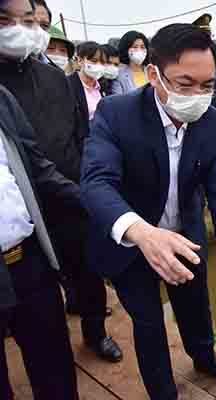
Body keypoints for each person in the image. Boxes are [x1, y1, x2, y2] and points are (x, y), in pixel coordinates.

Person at [81, 24, 216, 400]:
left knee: (195, 306)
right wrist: (142, 233)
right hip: (131, 241)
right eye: (185, 84)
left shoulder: (214, 123)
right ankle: (163, 392)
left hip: (183, 234)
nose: (198, 97)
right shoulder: (117, 113)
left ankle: (205, 358)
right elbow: (96, 182)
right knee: (149, 322)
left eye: (208, 86)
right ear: (154, 74)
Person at [0, 0, 123, 363]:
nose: (25, 31)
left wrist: (89, 181)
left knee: (88, 269)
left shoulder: (56, 78)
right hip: (23, 209)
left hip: (70, 192)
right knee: (34, 291)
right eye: (10, 21)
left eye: (35, 23)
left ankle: (95, 332)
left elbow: (80, 132)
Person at [0, 83, 81, 400]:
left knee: (54, 366)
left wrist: (97, 202)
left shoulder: (3, 97)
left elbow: (37, 165)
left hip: (28, 258)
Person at [68, 42, 107, 133]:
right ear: (80, 61)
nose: (99, 65)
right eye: (94, 61)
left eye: (102, 62)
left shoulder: (104, 85)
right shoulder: (68, 85)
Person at [112, 30, 149, 95]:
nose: (139, 50)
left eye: (142, 47)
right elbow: (118, 100)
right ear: (126, 49)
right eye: (135, 47)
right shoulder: (119, 76)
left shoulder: (152, 71)